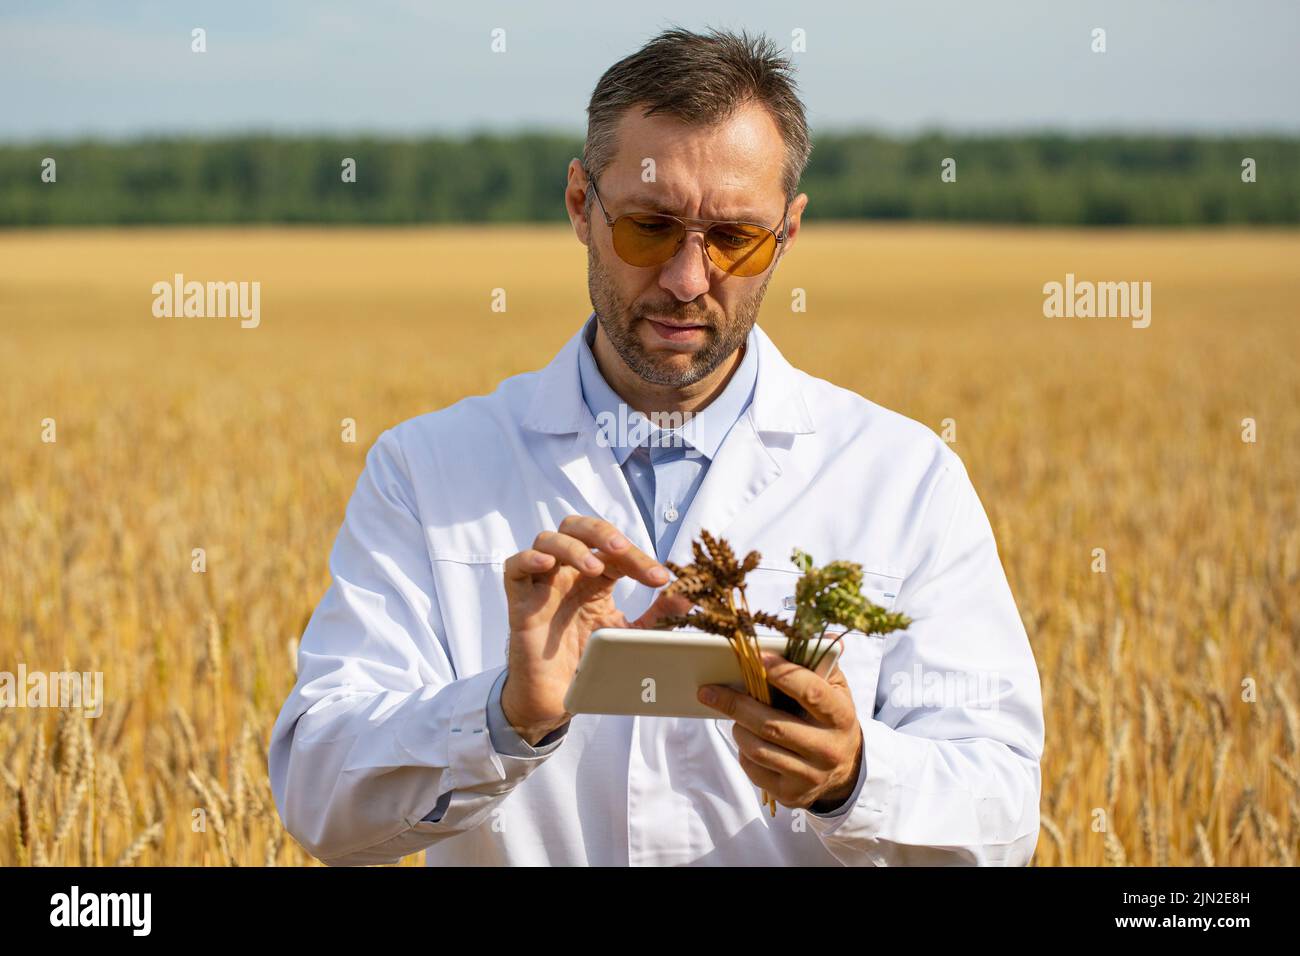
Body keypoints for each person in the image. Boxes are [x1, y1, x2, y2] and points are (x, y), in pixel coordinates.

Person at [269, 27, 1044, 866]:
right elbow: (320, 794)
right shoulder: (425, 472)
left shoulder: (906, 479)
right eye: (649, 227)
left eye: (734, 239)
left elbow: (1003, 813)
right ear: (579, 206)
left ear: (788, 233)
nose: (686, 278)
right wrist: (505, 717)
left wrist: (856, 777)